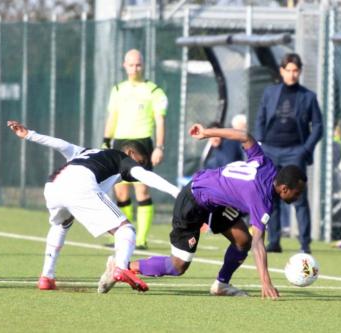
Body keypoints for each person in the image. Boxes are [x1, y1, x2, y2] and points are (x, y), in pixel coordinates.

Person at [98, 123, 307, 299]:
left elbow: (244, 136)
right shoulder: (262, 200)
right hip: (193, 200)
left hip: (215, 202)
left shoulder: (266, 164)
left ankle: (221, 285)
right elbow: (259, 242)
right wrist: (266, 282)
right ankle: (122, 266)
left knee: (242, 240)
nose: (297, 198)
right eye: (296, 193)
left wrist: (207, 132)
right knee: (178, 266)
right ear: (284, 189)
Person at [7, 120, 179, 292]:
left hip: (53, 185)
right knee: (126, 230)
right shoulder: (123, 159)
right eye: (140, 161)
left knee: (61, 224)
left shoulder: (87, 151)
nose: (139, 166)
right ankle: (120, 267)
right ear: (130, 152)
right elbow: (146, 176)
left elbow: (61, 144)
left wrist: (30, 135)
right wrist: (176, 192)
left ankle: (46, 277)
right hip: (81, 184)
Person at [254, 52, 323, 254]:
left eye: (295, 70)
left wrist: (305, 150)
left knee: (298, 198)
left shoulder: (308, 96)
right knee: (271, 195)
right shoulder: (270, 92)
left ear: (299, 71)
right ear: (281, 71)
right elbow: (260, 117)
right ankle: (274, 241)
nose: (292, 74)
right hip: (271, 150)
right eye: (288, 70)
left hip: (295, 152)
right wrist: (260, 144)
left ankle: (304, 244)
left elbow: (318, 126)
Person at [103, 49, 168, 250]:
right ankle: (123, 234)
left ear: (143, 65)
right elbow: (112, 117)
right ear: (125, 65)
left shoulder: (154, 91)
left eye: (138, 64)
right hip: (119, 142)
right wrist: (106, 141)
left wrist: (159, 147)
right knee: (121, 191)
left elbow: (160, 120)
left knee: (142, 190)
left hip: (142, 143)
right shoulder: (117, 89)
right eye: (131, 64)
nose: (134, 68)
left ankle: (141, 239)